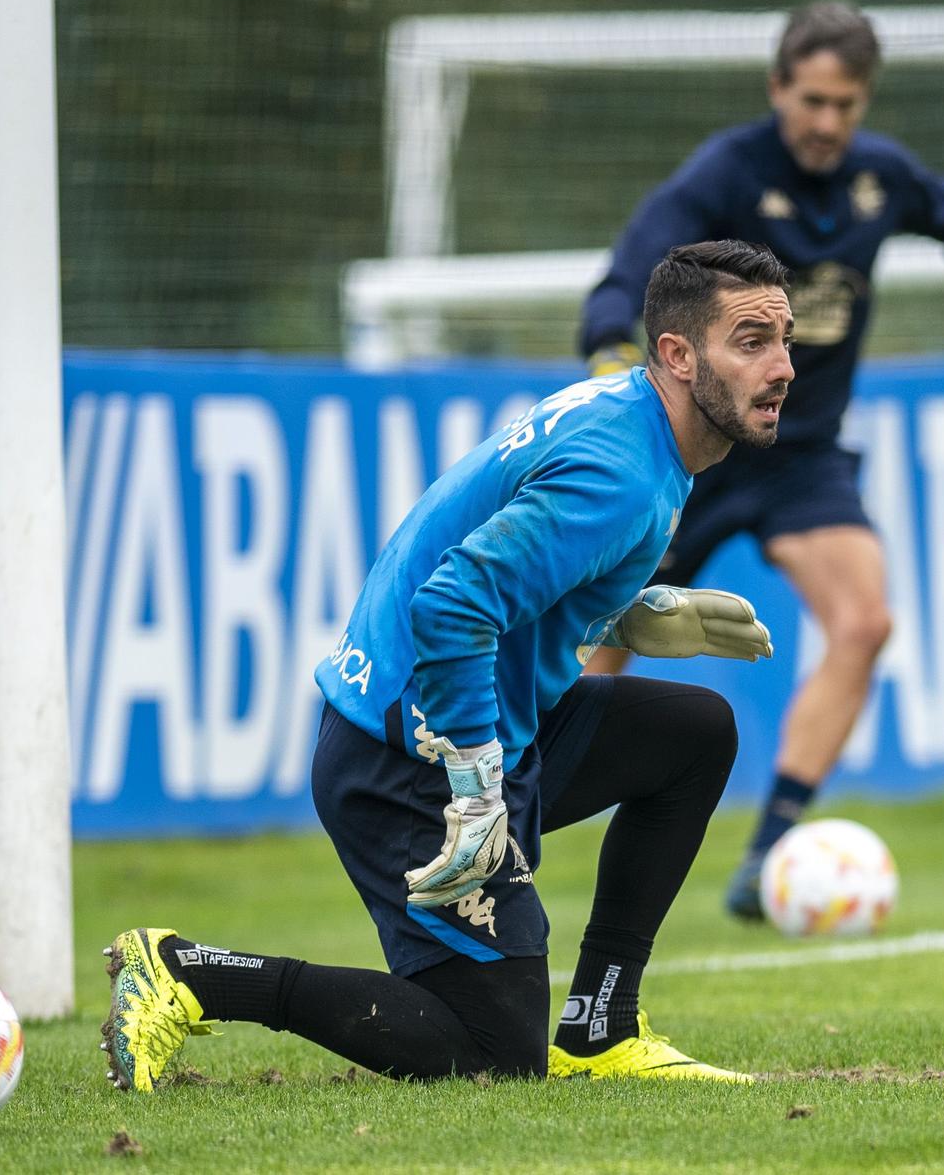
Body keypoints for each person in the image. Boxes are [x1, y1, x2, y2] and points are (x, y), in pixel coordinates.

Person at [101, 241, 794, 1089]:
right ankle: (190, 972)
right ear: (678, 356)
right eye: (752, 340)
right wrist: (476, 793)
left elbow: (510, 568)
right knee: (493, 1052)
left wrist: (633, 614)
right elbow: (453, 602)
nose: (784, 366)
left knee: (694, 732)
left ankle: (602, 1023)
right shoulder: (620, 469)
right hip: (408, 759)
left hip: (487, 726)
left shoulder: (640, 422)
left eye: (785, 339)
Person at [577, 2, 944, 920]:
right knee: (596, 633)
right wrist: (616, 357)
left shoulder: (880, 178)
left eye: (845, 103)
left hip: (801, 457)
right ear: (778, 90)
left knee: (865, 620)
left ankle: (771, 851)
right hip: (696, 453)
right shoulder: (726, 174)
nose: (827, 122)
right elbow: (626, 275)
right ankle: (509, 812)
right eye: (811, 99)